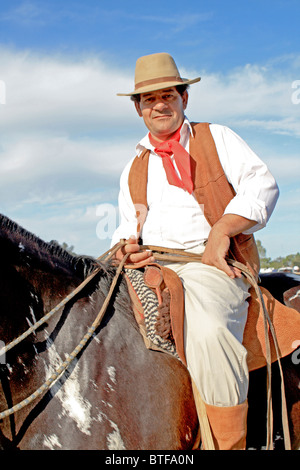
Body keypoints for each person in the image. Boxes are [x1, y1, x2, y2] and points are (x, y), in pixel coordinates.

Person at [111, 52, 279, 449]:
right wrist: (126, 250)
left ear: (184, 98)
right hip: (151, 265)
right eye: (149, 99)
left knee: (207, 334)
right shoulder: (133, 166)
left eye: (167, 95)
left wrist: (223, 229)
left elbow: (263, 187)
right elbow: (127, 227)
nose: (159, 105)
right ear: (138, 109)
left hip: (208, 263)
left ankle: (228, 445)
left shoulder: (217, 137)